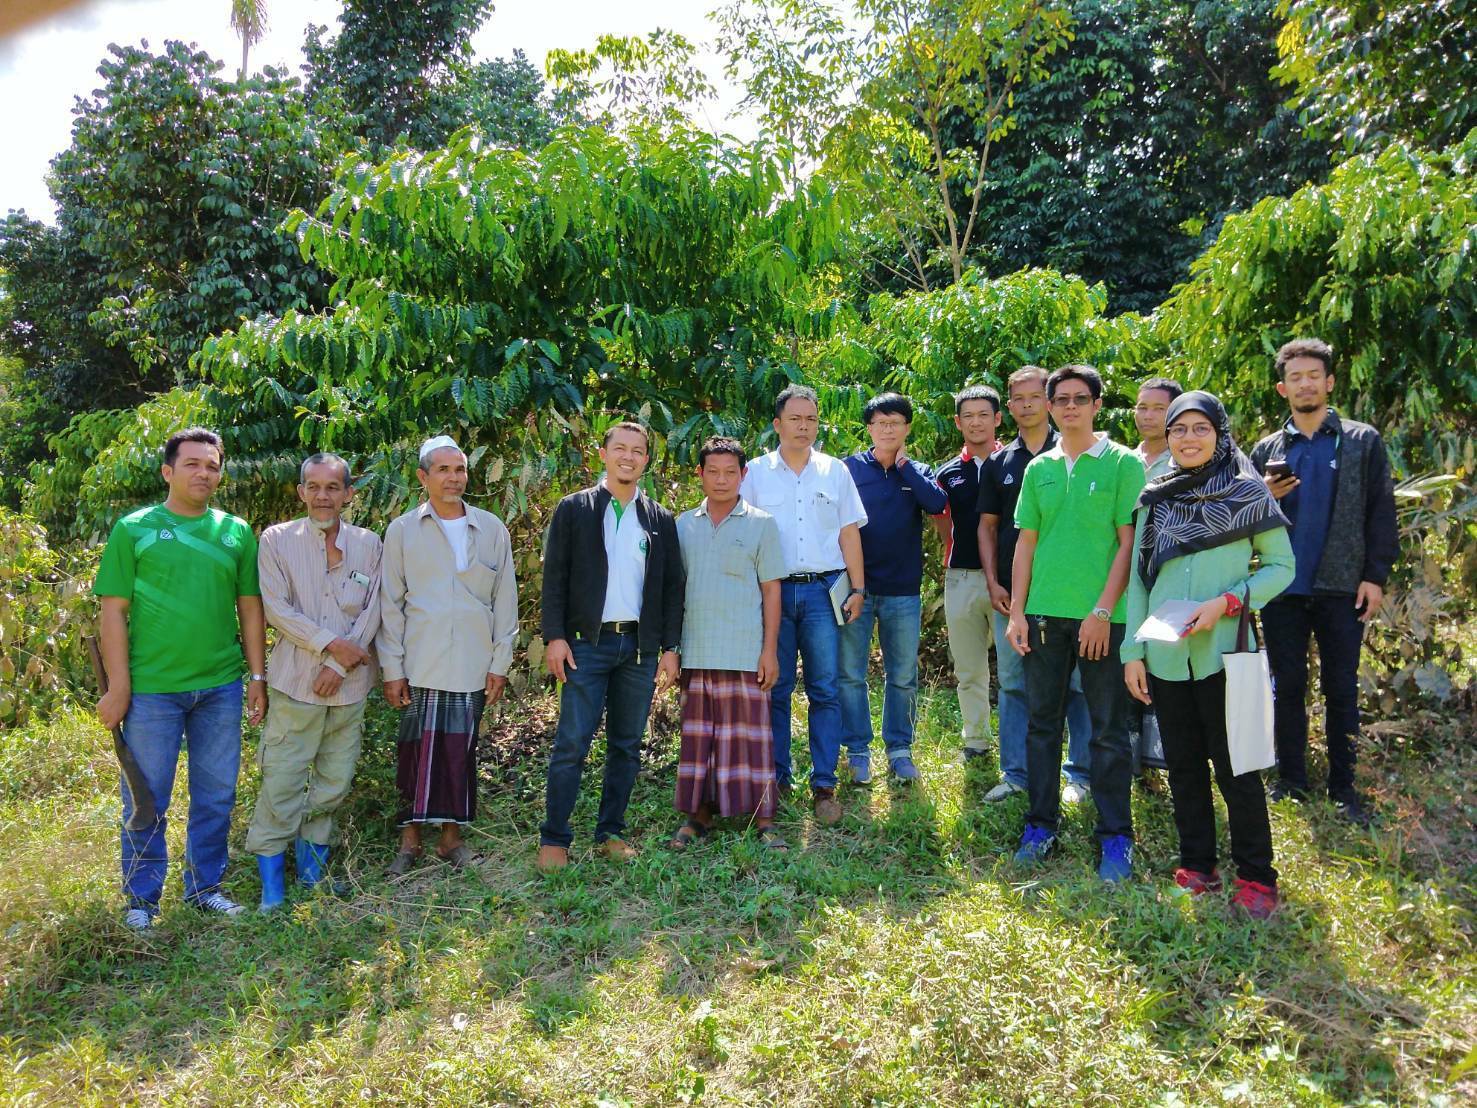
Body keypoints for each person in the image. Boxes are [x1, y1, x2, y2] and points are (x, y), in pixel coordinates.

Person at [1123, 391, 1294, 919]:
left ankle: (1257, 877)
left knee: (1236, 767)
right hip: (1168, 657)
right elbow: (1138, 580)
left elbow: (1281, 567)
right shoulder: (1155, 496)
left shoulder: (1248, 494)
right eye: (1179, 430)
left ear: (1220, 433)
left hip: (1227, 653)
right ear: (1167, 438)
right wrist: (1133, 651)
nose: (1189, 439)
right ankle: (1198, 867)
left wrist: (1225, 603)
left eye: (1201, 429)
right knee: (1183, 767)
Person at [94, 427, 267, 929]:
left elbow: (250, 607)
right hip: (153, 692)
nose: (203, 473)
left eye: (212, 465)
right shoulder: (134, 529)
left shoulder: (235, 531)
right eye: (192, 464)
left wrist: (257, 676)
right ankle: (142, 900)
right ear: (169, 471)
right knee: (147, 797)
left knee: (216, 793)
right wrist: (119, 686)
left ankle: (205, 887)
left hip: (220, 686)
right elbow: (113, 613)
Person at [1249, 338, 1398, 826]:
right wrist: (1263, 495)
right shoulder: (1268, 449)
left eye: (1314, 375)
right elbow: (1243, 521)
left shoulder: (1360, 441)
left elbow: (1381, 512)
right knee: (1286, 686)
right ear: (1282, 387)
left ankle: (1343, 787)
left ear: (1330, 382)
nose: (1306, 383)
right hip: (1282, 588)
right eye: (1296, 377)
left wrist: (1374, 576)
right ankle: (1291, 780)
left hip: (1341, 585)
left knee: (1340, 688)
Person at [1006, 365, 1146, 881]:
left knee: (1108, 732)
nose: (1069, 407)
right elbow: (1026, 544)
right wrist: (1018, 611)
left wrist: (1103, 611)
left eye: (1079, 399)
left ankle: (1115, 837)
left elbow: (1128, 543)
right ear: (1048, 405)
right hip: (1044, 616)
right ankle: (1040, 825)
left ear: (1096, 405)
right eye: (1059, 399)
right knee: (1042, 726)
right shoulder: (1038, 469)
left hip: (1102, 620)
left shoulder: (1122, 464)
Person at [538, 422, 684, 871]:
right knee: (572, 744)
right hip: (587, 646)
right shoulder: (575, 509)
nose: (628, 456)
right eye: (619, 448)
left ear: (646, 460)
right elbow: (555, 578)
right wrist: (555, 637)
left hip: (638, 649)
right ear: (602, 453)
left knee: (626, 744)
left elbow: (673, 588)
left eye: (638, 450)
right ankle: (555, 839)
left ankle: (610, 833)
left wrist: (670, 647)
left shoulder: (658, 519)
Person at [247, 453, 382, 912]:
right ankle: (272, 888)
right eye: (313, 486)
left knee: (334, 781)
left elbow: (375, 608)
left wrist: (341, 665)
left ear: (348, 494)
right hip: (295, 683)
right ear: (301, 491)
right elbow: (277, 609)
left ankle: (313, 875)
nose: (322, 496)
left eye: (332, 487)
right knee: (282, 779)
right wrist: (328, 645)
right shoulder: (277, 540)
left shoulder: (369, 543)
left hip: (350, 689)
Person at [378, 436, 517, 874]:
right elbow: (390, 604)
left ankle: (451, 839)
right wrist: (392, 669)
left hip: (472, 664)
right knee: (413, 753)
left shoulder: (491, 528)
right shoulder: (402, 530)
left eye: (459, 470)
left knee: (461, 753)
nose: (453, 478)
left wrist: (500, 664)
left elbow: (505, 601)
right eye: (443, 470)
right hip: (419, 663)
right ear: (423, 477)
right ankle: (410, 840)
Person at [740, 384, 866, 826]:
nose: (803, 426)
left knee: (825, 689)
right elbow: (743, 535)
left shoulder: (836, 472)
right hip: (771, 591)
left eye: (811, 419)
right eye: (795, 419)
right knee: (773, 687)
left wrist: (858, 588)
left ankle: (824, 783)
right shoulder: (755, 472)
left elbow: (849, 533)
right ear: (777, 424)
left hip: (822, 591)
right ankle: (776, 779)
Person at [977, 366, 1094, 804]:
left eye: (1034, 396)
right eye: (1018, 398)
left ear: (1047, 401)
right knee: (1012, 683)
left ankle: (1078, 775)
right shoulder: (1000, 463)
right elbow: (987, 528)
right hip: (1013, 596)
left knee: (1078, 685)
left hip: (1069, 594)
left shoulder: (1074, 454)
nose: (1026, 405)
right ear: (1009, 406)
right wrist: (993, 581)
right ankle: (1016, 774)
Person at [670, 437, 787, 850]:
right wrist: (672, 650)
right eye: (712, 471)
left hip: (744, 650)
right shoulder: (682, 525)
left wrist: (770, 649)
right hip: (697, 650)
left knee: (751, 741)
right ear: (699, 474)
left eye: (730, 472)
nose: (721, 479)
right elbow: (674, 591)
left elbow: (772, 591)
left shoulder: (761, 524)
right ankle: (697, 816)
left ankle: (764, 819)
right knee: (699, 740)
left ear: (743, 475)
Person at [839, 393, 948, 783]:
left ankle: (900, 749)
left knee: (902, 674)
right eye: (881, 422)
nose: (888, 429)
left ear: (907, 428)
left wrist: (906, 469)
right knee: (851, 673)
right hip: (857, 589)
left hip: (903, 590)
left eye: (896, 422)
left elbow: (937, 504)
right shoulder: (849, 469)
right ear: (869, 428)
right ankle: (856, 750)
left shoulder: (917, 470)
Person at [930, 385, 1003, 763]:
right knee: (970, 668)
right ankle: (976, 742)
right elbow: (945, 528)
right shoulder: (948, 474)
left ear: (998, 419)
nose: (976, 422)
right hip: (961, 579)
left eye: (984, 415)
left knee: (1016, 672)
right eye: (968, 416)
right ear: (958, 423)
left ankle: (1020, 751)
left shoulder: (1016, 463)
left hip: (1010, 582)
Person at [1132, 377, 1184, 480]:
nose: (1148, 416)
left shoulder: (1188, 463)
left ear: (1177, 413)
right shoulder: (1123, 461)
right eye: (1142, 408)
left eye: (1159, 408)